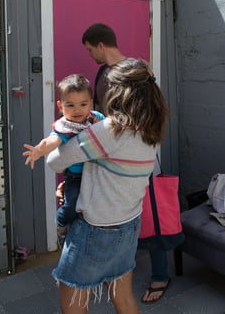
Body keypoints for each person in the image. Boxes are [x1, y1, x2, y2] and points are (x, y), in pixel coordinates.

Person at [45, 58, 169, 314]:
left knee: (73, 301)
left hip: (96, 228)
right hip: (130, 223)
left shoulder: (110, 129)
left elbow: (55, 161)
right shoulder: (150, 128)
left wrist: (65, 131)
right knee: (123, 296)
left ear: (119, 91)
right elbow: (113, 172)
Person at [82, 22, 173, 304]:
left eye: (89, 50)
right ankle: (119, 267)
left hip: (138, 155)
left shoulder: (137, 69)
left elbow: (151, 110)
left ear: (100, 44)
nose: (90, 56)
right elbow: (99, 114)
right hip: (109, 158)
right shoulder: (100, 73)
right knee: (119, 211)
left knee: (150, 212)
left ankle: (160, 274)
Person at [22, 74, 104, 236]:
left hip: (96, 173)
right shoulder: (65, 127)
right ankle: (61, 222)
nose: (77, 110)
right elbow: (53, 140)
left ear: (91, 103)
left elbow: (108, 132)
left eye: (83, 104)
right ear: (60, 106)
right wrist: (40, 150)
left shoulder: (96, 118)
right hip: (76, 176)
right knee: (71, 205)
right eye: (70, 105)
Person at [81, 23, 126, 114]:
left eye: (90, 50)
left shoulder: (134, 72)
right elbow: (97, 108)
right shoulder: (102, 72)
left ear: (100, 46)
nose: (90, 54)